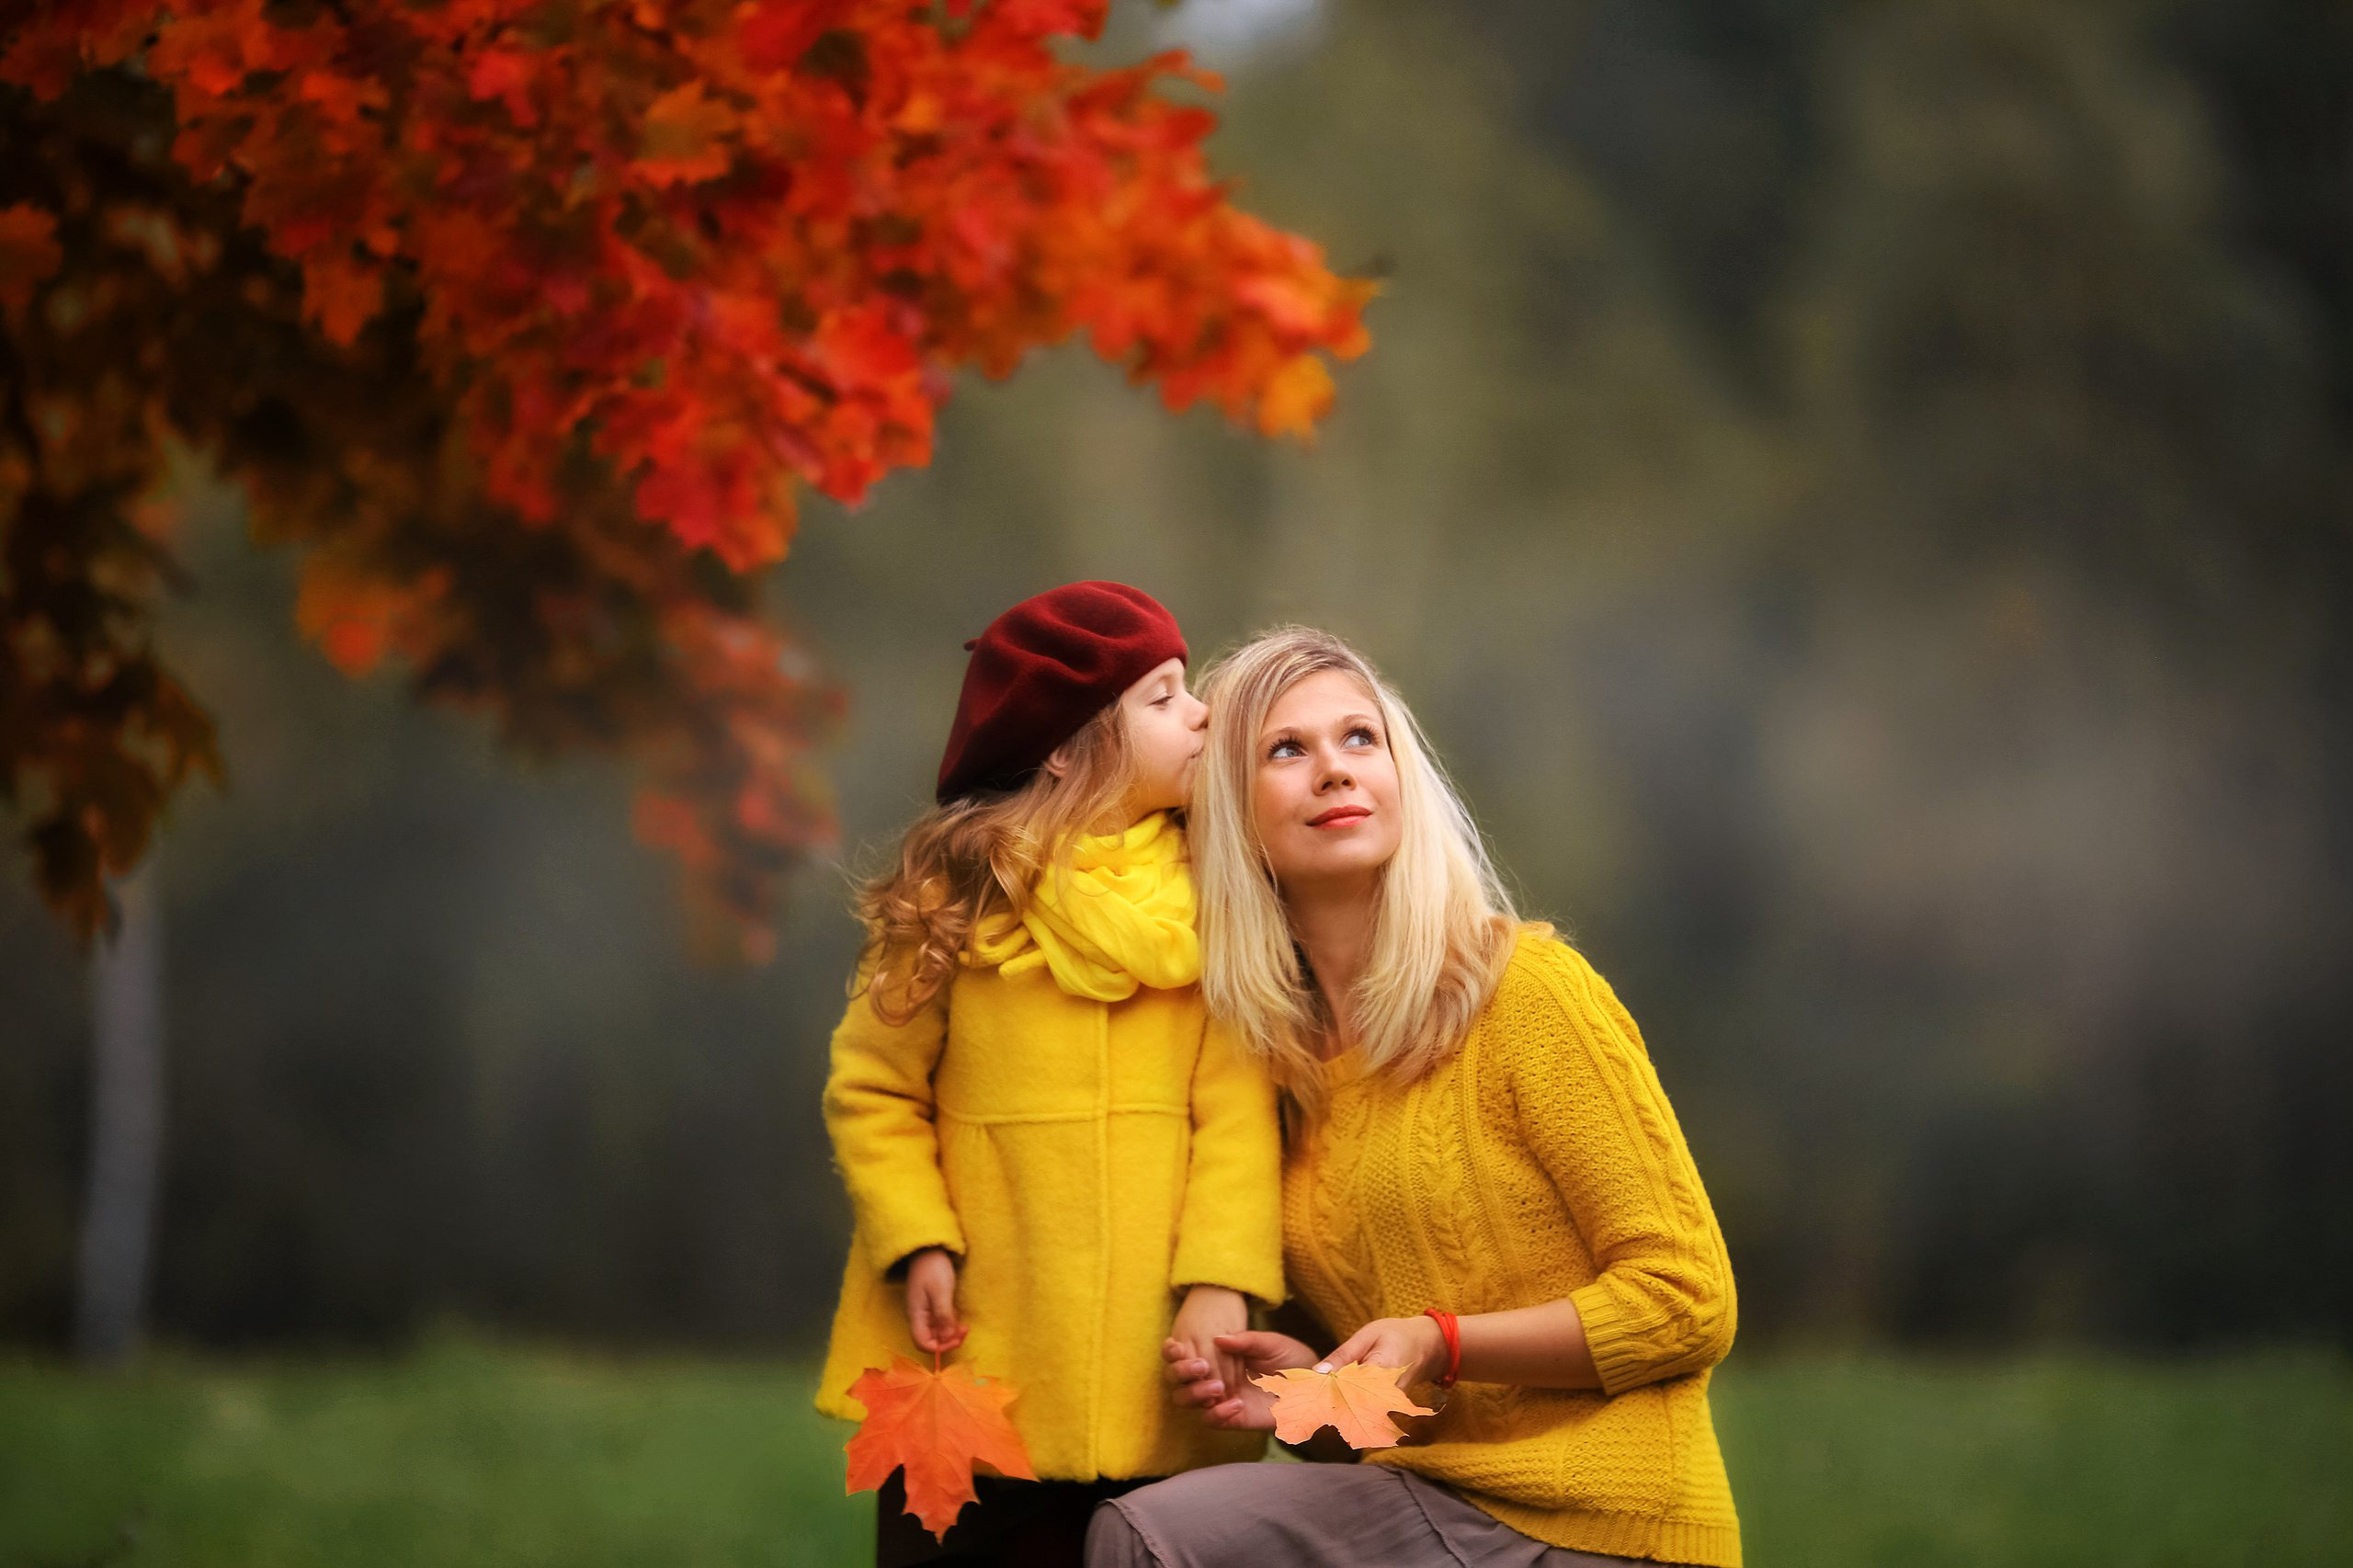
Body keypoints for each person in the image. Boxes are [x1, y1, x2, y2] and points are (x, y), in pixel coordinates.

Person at [1090, 626, 1741, 1568]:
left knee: (1160, 1540)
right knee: (1150, 1531)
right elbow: (1366, 1419)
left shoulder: (1526, 992)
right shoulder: (1273, 1072)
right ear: (1232, 812)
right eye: (1286, 749)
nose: (1333, 770)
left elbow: (1687, 1300)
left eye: (1360, 738)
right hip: (1430, 1505)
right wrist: (1308, 1394)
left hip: (1608, 1523)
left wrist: (1443, 1343)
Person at [816, 583, 1285, 1568]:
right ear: (1069, 745)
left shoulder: (1216, 895)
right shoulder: (951, 902)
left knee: (1146, 1543)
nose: (1201, 711)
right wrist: (917, 1237)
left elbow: (1237, 1113)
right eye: (1161, 697)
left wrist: (1222, 1281)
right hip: (977, 1345)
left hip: (1157, 1351)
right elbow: (873, 1087)